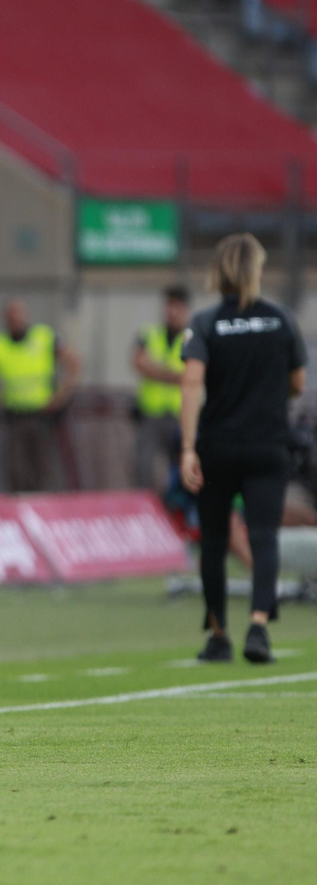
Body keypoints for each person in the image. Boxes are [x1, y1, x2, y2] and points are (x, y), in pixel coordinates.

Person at [180, 234, 306, 665]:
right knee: (264, 537)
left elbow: (192, 382)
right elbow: (298, 383)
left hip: (218, 446)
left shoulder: (206, 322)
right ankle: (259, 627)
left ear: (220, 272)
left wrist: (186, 448)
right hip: (268, 445)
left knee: (213, 542)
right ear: (256, 270)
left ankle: (218, 635)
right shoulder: (281, 319)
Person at [0, 299, 81, 492]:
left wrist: (62, 394)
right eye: (11, 316)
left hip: (43, 414)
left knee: (43, 467)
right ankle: (21, 505)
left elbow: (73, 363)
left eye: (19, 315)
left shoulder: (44, 337)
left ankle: (43, 507)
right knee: (16, 468)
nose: (16, 320)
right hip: (14, 415)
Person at [133, 285, 191, 491]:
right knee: (143, 467)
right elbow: (139, 363)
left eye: (177, 306)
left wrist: (156, 369)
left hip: (180, 414)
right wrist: (174, 375)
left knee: (179, 467)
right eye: (169, 306)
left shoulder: (191, 337)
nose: (172, 312)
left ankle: (175, 509)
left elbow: (191, 375)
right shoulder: (149, 333)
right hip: (151, 412)